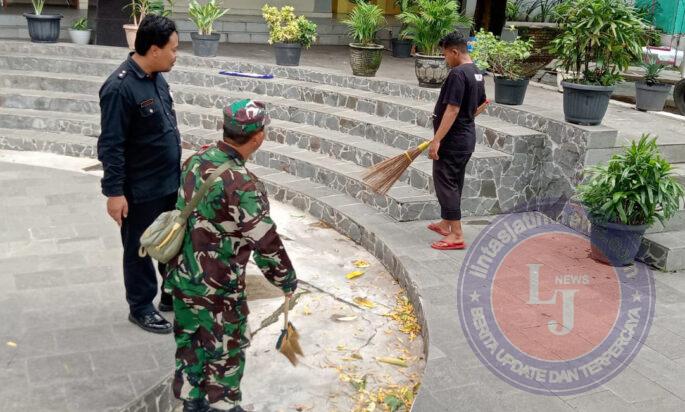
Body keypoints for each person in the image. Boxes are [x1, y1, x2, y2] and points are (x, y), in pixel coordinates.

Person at [165, 99, 298, 412]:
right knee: (226, 353)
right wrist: (286, 280)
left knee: (191, 346)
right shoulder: (244, 185)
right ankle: (223, 405)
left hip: (184, 279)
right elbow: (265, 243)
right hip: (220, 289)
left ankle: (192, 404)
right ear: (258, 137)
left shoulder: (196, 160)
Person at [97, 15, 181, 334]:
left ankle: (170, 294)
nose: (176, 55)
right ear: (154, 49)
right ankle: (141, 306)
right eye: (172, 49)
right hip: (139, 188)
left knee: (169, 241)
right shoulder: (119, 88)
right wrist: (114, 194)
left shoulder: (157, 77)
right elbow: (111, 145)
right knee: (139, 248)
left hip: (167, 181)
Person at [427, 31, 487, 250]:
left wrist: (437, 140)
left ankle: (457, 235)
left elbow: (452, 110)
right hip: (466, 138)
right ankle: (446, 223)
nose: (446, 59)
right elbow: (480, 106)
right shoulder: (477, 73)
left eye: (445, 55)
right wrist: (464, 120)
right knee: (454, 182)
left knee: (446, 183)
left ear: (454, 51)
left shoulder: (458, 74)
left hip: (453, 141)